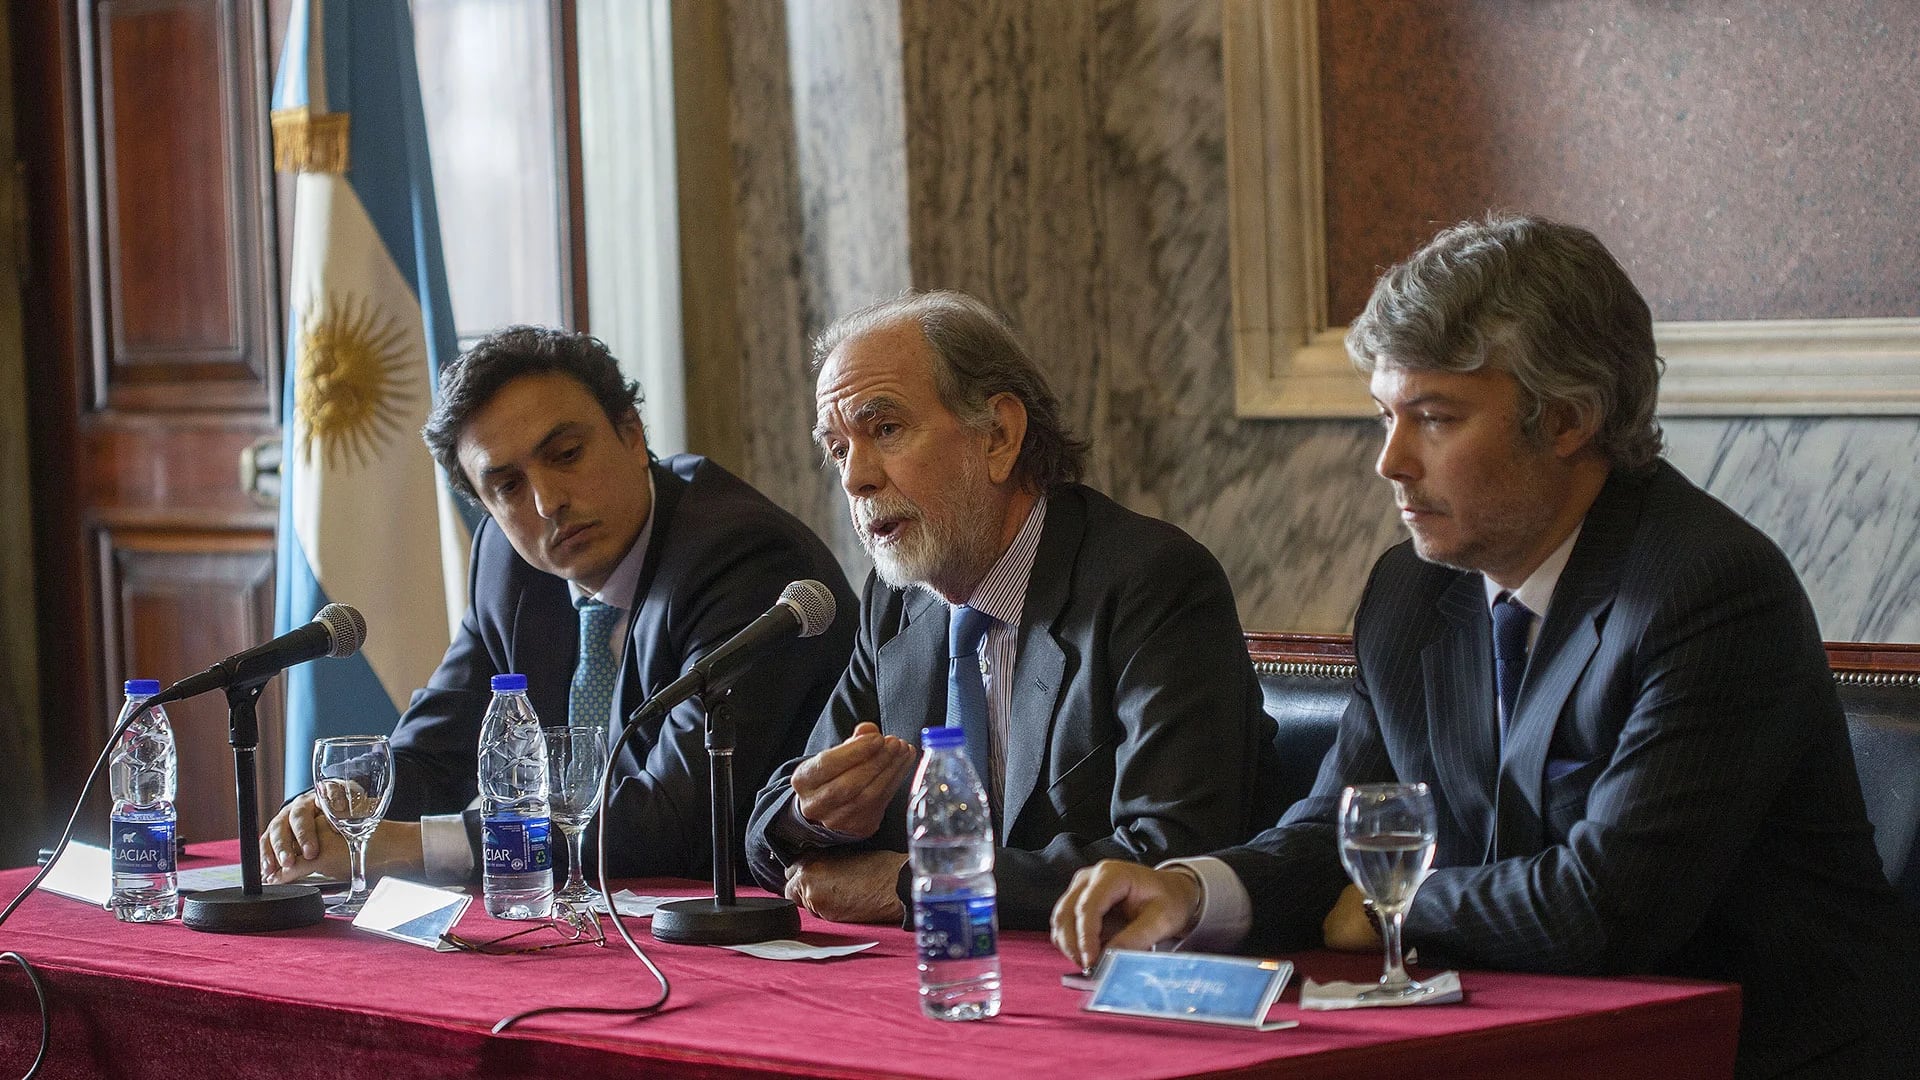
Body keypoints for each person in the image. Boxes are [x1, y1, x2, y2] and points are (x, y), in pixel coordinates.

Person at [1051, 214, 1917, 1079]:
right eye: (1385, 415)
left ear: (1570, 418)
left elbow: (1604, 910)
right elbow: (1339, 833)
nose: (1390, 461)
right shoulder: (1413, 590)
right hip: (1518, 1041)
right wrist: (1194, 890)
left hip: (1749, 1054)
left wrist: (1392, 909)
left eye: (1434, 419)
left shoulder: (1710, 589)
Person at [743, 290, 1281, 931]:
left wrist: (926, 888)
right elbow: (775, 823)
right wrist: (814, 816)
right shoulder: (897, 603)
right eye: (837, 448)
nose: (856, 477)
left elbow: (1169, 859)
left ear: (998, 436)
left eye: (885, 430)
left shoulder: (1152, 584)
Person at [260, 326, 857, 884]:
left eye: (566, 454)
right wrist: (337, 807)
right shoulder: (509, 566)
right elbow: (437, 751)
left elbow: (672, 820)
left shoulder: (741, 557)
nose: (547, 502)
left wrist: (406, 846)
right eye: (508, 487)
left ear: (632, 432)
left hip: (761, 918)